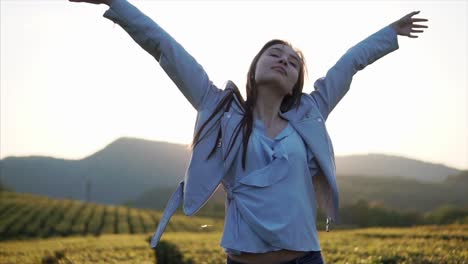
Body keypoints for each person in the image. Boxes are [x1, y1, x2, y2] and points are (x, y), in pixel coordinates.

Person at [69, 0, 428, 263]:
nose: (283, 61)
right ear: (254, 66)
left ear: (294, 85)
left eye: (292, 63)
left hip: (305, 258)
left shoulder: (310, 112)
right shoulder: (220, 108)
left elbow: (348, 64)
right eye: (275, 54)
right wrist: (116, 3)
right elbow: (166, 48)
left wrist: (389, 33)